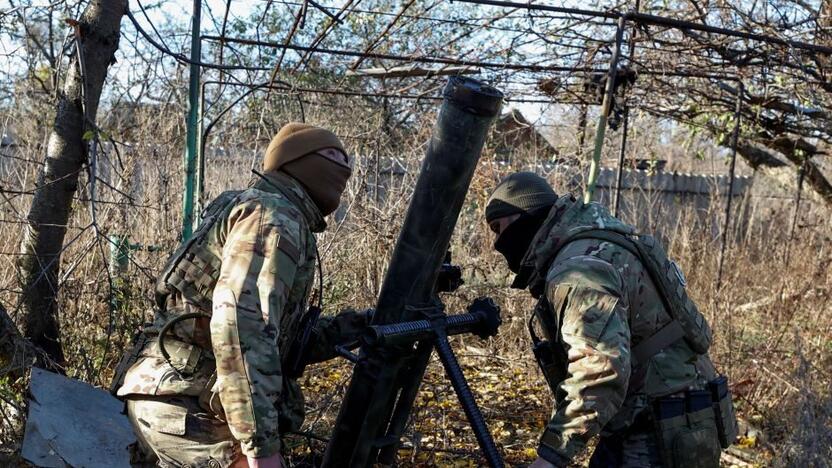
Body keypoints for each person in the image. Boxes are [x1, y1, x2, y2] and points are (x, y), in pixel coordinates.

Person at [113, 123, 370, 468]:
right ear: (292, 161)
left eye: (345, 158)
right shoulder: (273, 216)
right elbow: (240, 328)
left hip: (174, 400)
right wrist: (260, 449)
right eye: (330, 155)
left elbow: (280, 339)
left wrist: (366, 325)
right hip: (187, 407)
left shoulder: (268, 211)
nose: (344, 167)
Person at [485, 172, 736, 468]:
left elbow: (600, 371)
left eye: (499, 228)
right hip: (673, 416)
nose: (498, 243)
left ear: (525, 218)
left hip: (656, 428)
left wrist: (551, 457)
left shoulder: (578, 271)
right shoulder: (598, 239)